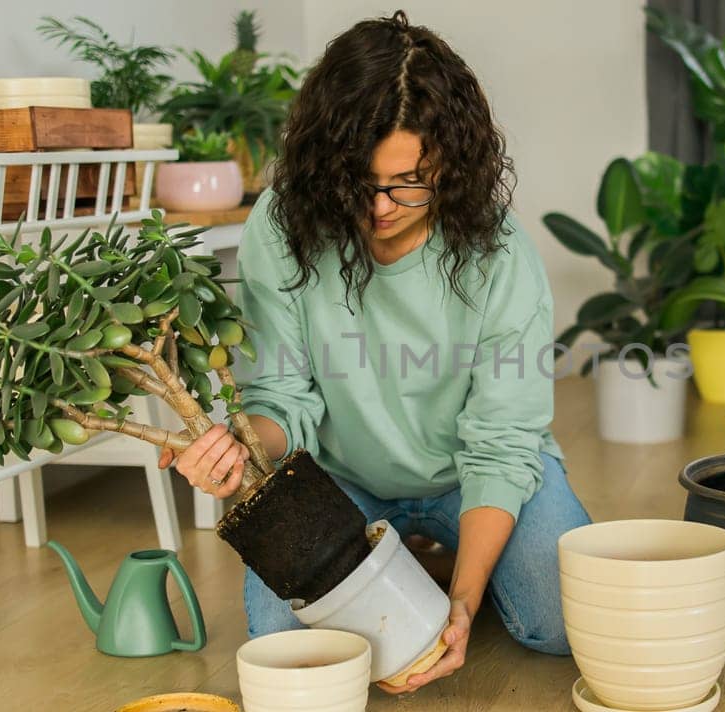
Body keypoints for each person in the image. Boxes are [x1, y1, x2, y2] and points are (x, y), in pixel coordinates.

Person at [158, 10, 590, 694]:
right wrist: (234, 450)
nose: (382, 206)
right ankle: (398, 559)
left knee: (561, 623)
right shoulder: (282, 223)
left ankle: (437, 563)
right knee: (284, 643)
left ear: (451, 161)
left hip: (471, 474)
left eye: (409, 181)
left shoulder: (499, 250)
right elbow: (279, 401)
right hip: (338, 480)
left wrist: (462, 606)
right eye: (360, 181)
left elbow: (503, 441)